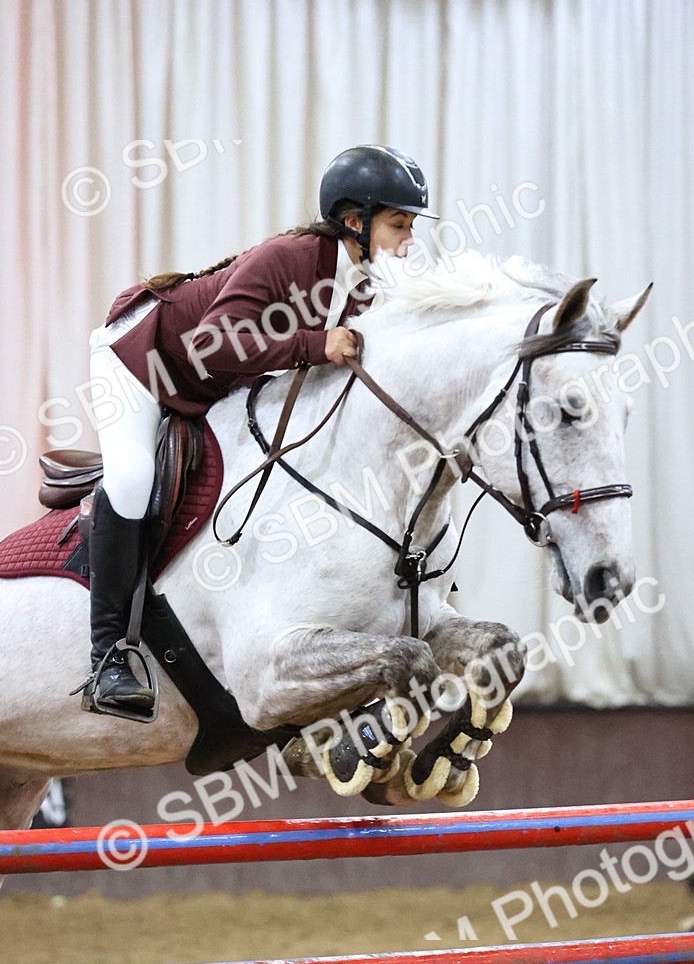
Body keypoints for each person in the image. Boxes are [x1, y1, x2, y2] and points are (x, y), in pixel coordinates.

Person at [82, 145, 438, 717]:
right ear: (354, 223)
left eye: (411, 226)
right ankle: (107, 658)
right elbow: (210, 344)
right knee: (130, 479)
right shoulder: (291, 258)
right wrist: (312, 345)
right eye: (399, 224)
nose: (408, 239)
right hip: (143, 362)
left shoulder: (363, 283)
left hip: (212, 385)